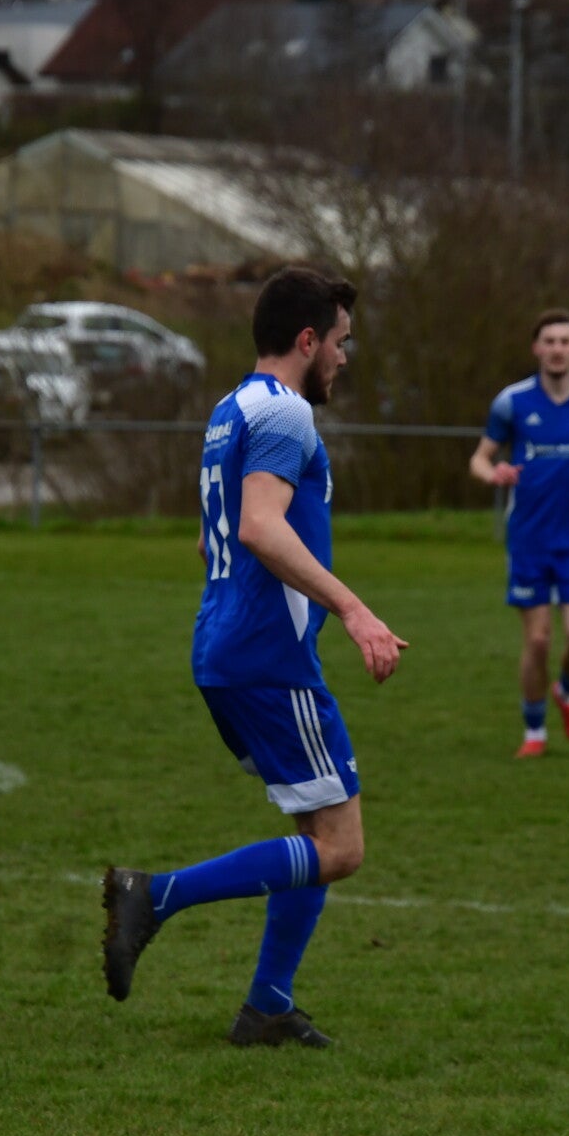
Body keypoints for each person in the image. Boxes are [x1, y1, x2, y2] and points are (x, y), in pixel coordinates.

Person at [101, 266, 406, 1049]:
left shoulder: (230, 409)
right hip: (267, 658)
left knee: (313, 828)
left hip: (225, 647)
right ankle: (155, 895)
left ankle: (268, 1006)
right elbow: (260, 527)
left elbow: (212, 540)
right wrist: (354, 609)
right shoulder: (286, 412)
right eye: (340, 341)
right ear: (308, 340)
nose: (344, 357)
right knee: (341, 847)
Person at [469, 309, 569, 758]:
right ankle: (535, 732)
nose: (557, 349)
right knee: (538, 641)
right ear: (537, 348)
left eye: (565, 341)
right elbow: (479, 458)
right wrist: (492, 473)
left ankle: (567, 693)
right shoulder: (512, 402)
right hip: (529, 540)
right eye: (550, 341)